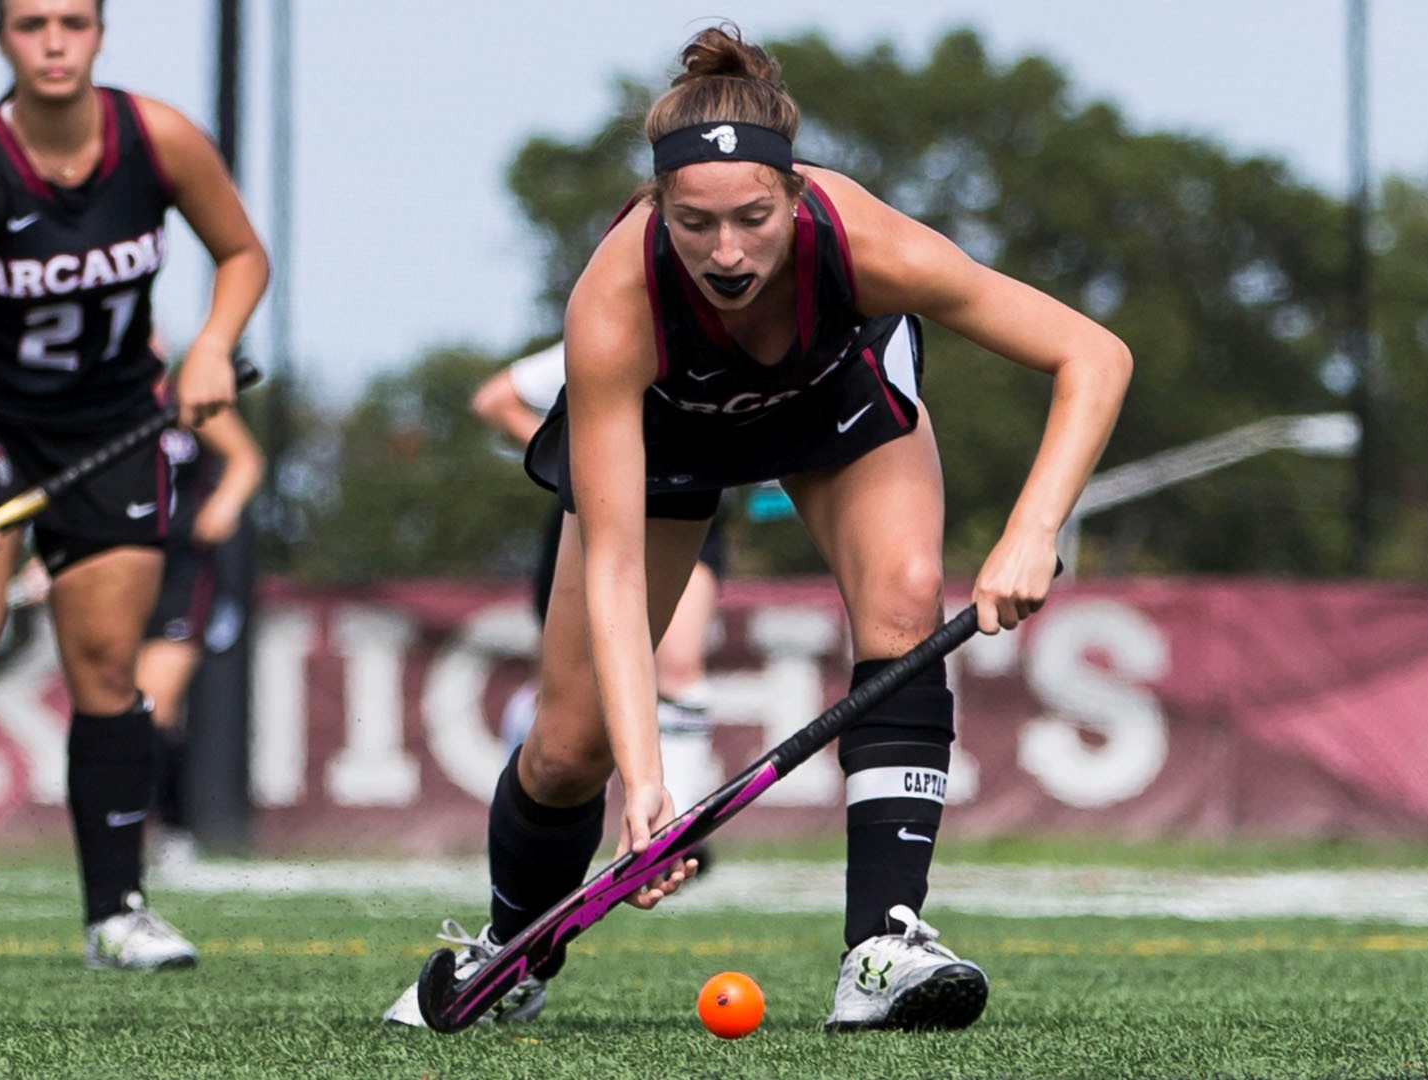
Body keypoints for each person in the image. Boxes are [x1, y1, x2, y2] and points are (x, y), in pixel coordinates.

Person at [386, 25, 1128, 1032]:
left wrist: (1034, 529)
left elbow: (1093, 355)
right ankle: (512, 949)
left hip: (829, 402)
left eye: (752, 218)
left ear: (795, 194)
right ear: (658, 206)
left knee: (907, 602)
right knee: (567, 751)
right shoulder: (614, 301)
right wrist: (647, 787)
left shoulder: (867, 243)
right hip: (668, 432)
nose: (726, 252)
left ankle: (884, 946)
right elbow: (610, 567)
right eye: (694, 223)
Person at [0, 0, 267, 971]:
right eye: (31, 23)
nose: (53, 41)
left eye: (73, 22)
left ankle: (116, 911)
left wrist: (210, 345)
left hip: (114, 421)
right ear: (2, 38)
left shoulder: (157, 138)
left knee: (108, 667)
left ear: (100, 33)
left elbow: (243, 255)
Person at [472, 342, 722, 827]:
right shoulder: (615, 333)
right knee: (564, 718)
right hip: (594, 522)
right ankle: (524, 823)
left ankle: (674, 831)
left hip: (696, 508)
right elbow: (495, 400)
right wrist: (580, 467)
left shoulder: (766, 337)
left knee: (678, 664)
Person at [136, 404, 263, 866]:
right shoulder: (96, 398)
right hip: (120, 568)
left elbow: (246, 458)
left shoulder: (181, 397)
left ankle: (173, 829)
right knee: (117, 708)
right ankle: (125, 827)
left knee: (153, 705)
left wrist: (224, 501)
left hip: (182, 569)